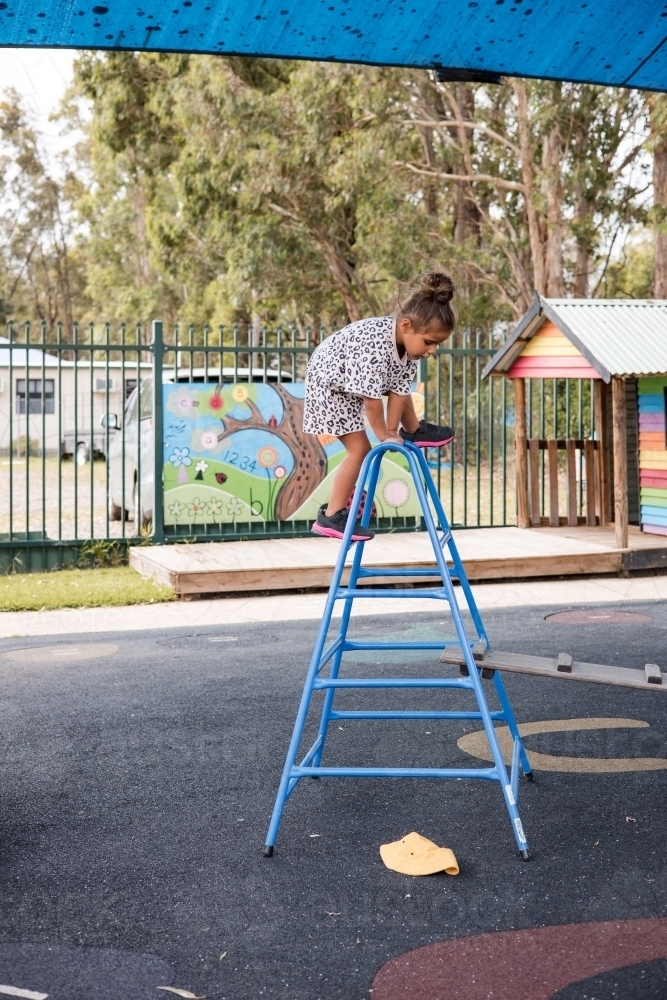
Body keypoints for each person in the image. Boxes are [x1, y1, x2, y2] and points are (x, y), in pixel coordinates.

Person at [303, 270, 456, 541]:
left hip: (349, 379)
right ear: (407, 326)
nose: (432, 350)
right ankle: (331, 516)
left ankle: (414, 430)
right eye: (429, 342)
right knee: (360, 449)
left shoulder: (409, 349)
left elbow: (399, 391)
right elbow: (372, 402)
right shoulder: (374, 345)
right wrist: (385, 435)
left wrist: (394, 431)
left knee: (398, 389)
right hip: (328, 383)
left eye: (437, 344)